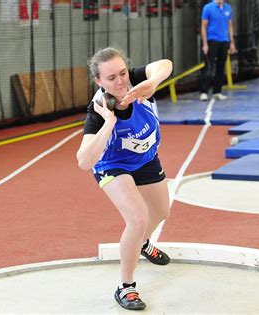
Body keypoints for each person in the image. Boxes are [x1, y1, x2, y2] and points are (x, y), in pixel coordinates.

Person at [76, 47, 172, 311]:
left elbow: (165, 63)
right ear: (99, 82)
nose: (119, 82)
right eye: (110, 78)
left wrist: (152, 83)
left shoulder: (135, 82)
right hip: (113, 164)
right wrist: (108, 122)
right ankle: (126, 287)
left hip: (145, 158)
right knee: (138, 218)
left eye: (122, 73)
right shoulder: (98, 112)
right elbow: (84, 161)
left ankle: (142, 243)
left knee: (162, 211)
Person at [199, 0, 236, 101]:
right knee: (209, 67)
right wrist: (205, 44)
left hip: (224, 40)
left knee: (221, 67)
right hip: (212, 40)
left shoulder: (228, 8)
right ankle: (204, 91)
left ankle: (217, 91)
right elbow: (203, 26)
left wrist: (231, 42)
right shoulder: (208, 8)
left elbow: (230, 25)